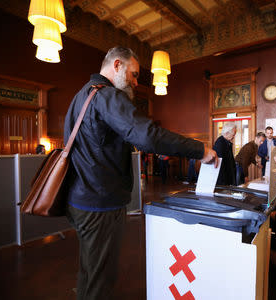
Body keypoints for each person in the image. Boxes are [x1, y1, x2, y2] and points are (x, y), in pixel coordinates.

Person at [63, 46, 217, 300]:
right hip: (100, 201)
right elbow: (147, 135)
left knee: (89, 270)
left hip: (80, 198)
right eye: (134, 74)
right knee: (101, 277)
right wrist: (199, 149)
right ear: (116, 66)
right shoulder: (108, 96)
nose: (136, 82)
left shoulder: (82, 95)